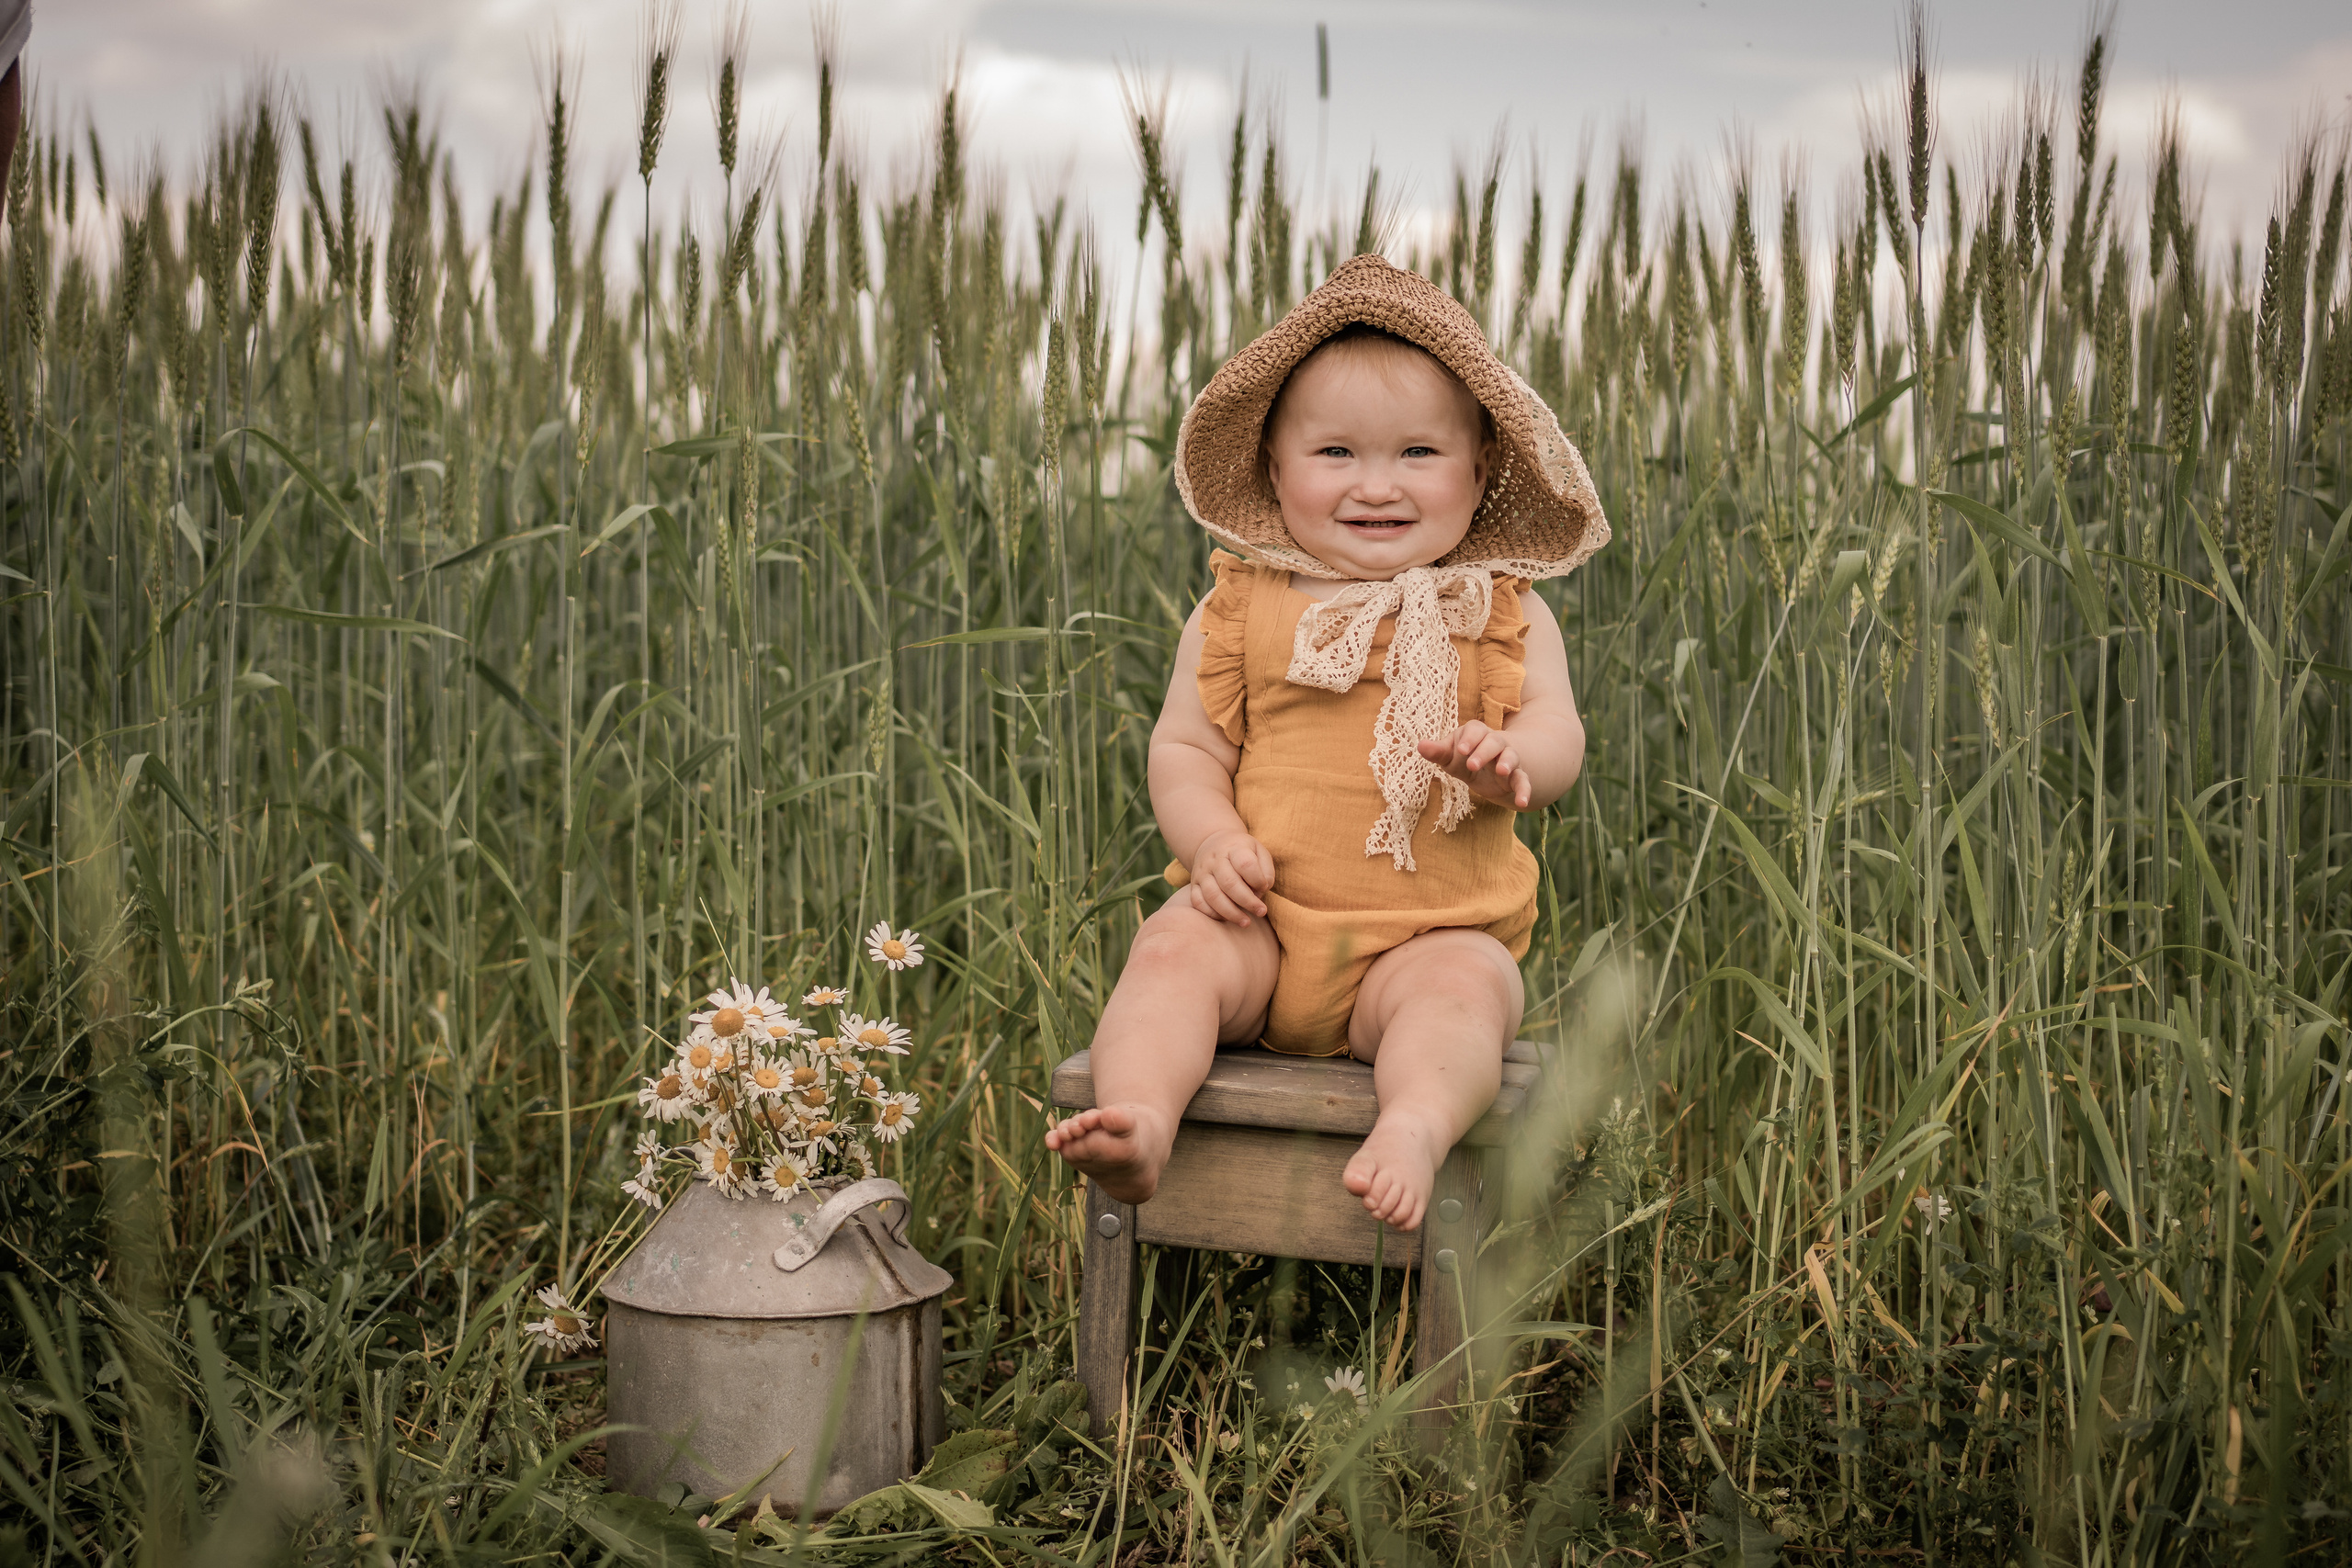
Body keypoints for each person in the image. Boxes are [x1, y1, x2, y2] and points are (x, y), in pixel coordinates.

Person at [1046, 254, 1609, 1232]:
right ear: (1275, 469)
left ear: (1481, 471)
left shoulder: (1501, 611)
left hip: (1425, 939)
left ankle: (1414, 1125)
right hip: (1261, 927)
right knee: (1171, 947)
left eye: (1419, 453)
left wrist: (1514, 763)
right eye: (1336, 452)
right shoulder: (1239, 606)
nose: (1376, 485)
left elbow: (1559, 731)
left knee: (1467, 991)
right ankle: (1139, 1117)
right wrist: (1212, 842)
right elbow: (1187, 750)